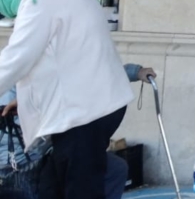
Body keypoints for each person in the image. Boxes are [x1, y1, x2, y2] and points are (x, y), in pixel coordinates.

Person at [0, 0, 134, 199]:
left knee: (79, 189)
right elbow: (63, 57)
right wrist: (28, 100)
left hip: (84, 112)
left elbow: (17, 58)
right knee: (55, 185)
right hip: (95, 105)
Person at [2, 63, 157, 199]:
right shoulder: (11, 82)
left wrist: (134, 71)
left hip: (48, 153)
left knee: (115, 168)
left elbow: (92, 78)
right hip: (19, 164)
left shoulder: (46, 74)